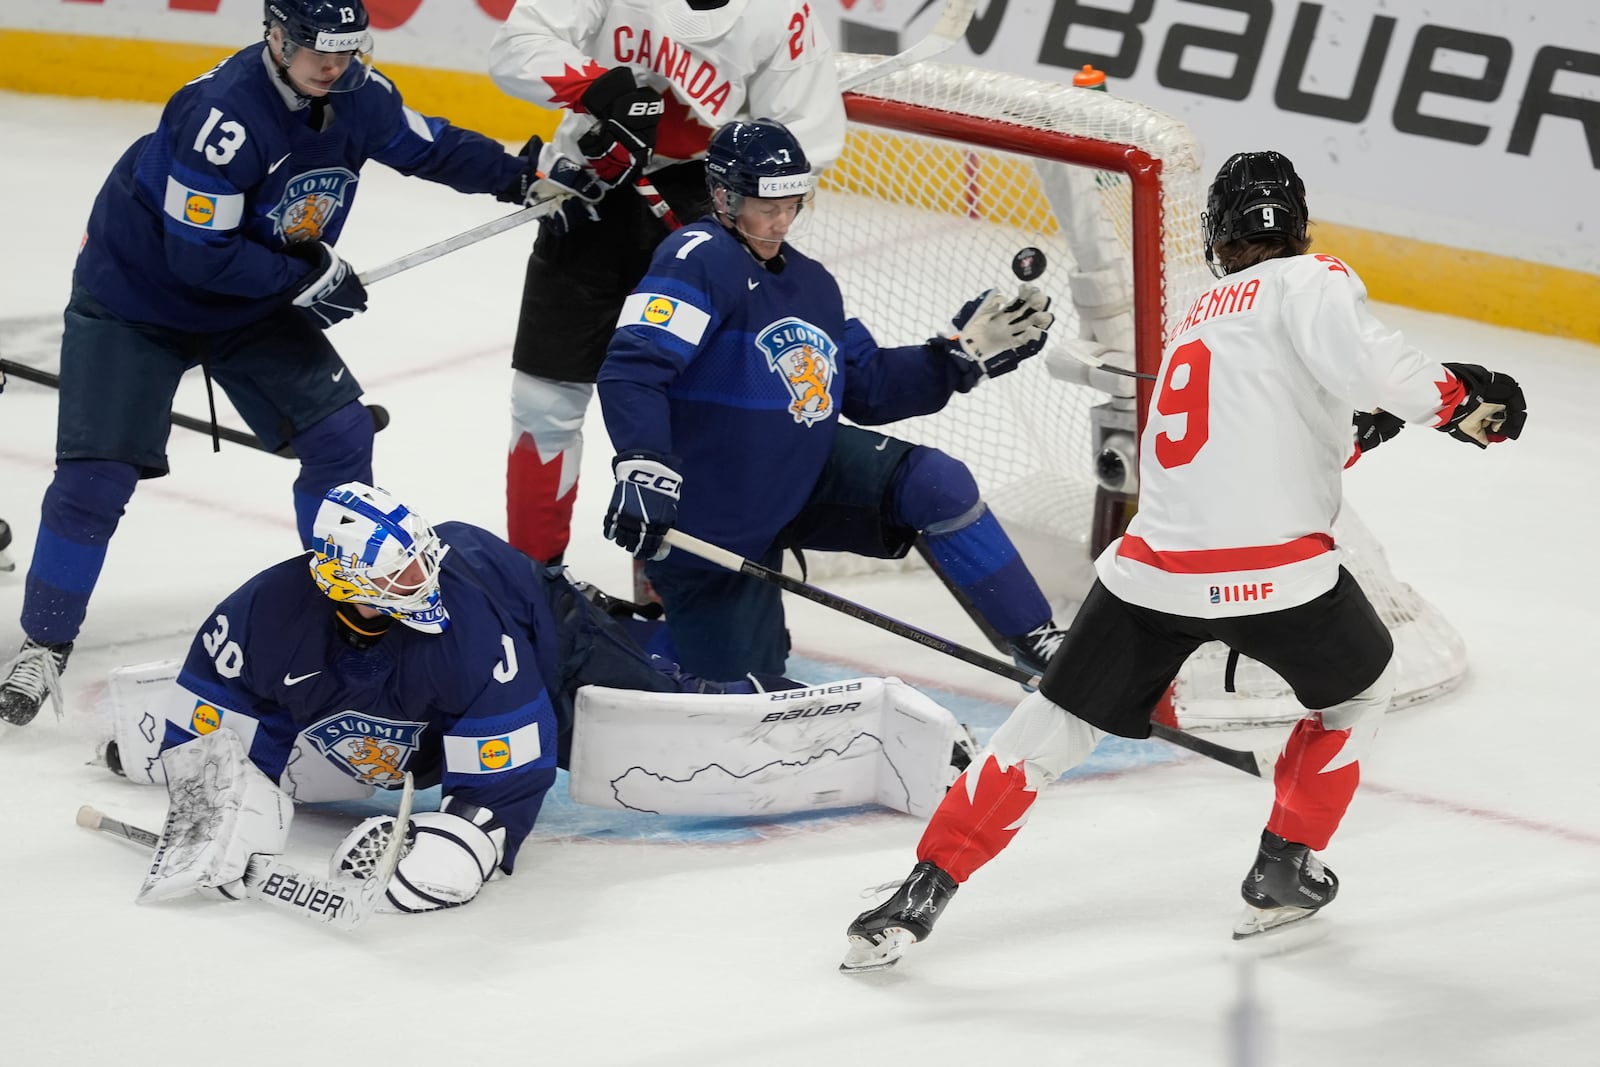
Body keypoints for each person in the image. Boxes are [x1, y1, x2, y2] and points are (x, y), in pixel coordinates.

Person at [838, 150, 1528, 970]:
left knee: (1049, 724)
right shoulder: (1311, 282)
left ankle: (923, 888)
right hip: (1279, 578)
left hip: (1153, 572)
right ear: (1298, 228)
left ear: (1219, 237)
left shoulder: (1200, 318)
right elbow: (1383, 371)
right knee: (1356, 693)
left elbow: (1249, 447)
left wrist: (1361, 431)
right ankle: (1284, 863)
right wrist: (1458, 402)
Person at [0, 0, 585, 727]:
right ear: (275, 35)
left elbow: (426, 145)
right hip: (137, 302)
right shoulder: (221, 116)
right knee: (96, 476)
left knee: (341, 438)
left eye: (345, 50)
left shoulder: (356, 94)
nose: (332, 66)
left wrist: (522, 175)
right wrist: (305, 276)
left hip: (253, 303)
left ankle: (344, 611)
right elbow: (196, 256)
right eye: (316, 50)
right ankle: (45, 640)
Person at [109, 481, 973, 913]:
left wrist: (456, 835)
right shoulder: (262, 615)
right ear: (341, 582)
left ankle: (703, 662)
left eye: (417, 561)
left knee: (655, 710)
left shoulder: (463, 626)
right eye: (397, 575)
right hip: (425, 686)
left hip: (542, 626)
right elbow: (223, 717)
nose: (418, 581)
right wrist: (217, 805)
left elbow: (510, 759)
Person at [596, 117, 1071, 683]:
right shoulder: (697, 256)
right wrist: (645, 466)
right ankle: (615, 639)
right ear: (723, 195)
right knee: (743, 691)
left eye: (793, 203)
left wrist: (956, 358)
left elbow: (866, 390)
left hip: (802, 475)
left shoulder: (813, 282)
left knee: (934, 482)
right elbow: (631, 369)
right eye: (764, 206)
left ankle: (1039, 641)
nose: (781, 220)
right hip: (714, 514)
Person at [486, 0, 847, 565]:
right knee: (544, 402)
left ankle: (671, 591)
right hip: (591, 184)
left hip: (707, 208)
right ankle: (534, 585)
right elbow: (517, 46)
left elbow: (805, 137)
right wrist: (601, 89)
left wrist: (725, 176)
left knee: (694, 411)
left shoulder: (782, 12)